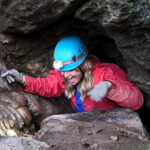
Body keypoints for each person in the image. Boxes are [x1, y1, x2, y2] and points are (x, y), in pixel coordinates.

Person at [1, 36, 144, 113]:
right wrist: (23, 79)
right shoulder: (64, 74)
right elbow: (49, 85)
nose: (67, 75)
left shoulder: (105, 72)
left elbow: (137, 100)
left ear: (83, 64)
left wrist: (110, 88)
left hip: (115, 124)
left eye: (71, 70)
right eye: (63, 71)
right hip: (88, 124)